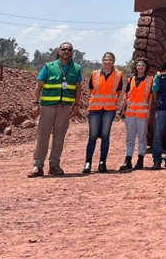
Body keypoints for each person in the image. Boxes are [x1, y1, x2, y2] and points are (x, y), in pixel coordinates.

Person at [28, 42, 82, 177]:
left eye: (69, 50)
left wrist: (76, 105)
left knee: (59, 137)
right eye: (64, 49)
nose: (66, 51)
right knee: (43, 136)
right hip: (48, 106)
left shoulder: (76, 68)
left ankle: (54, 165)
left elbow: (78, 88)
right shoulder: (49, 66)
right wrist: (35, 103)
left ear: (72, 52)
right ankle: (38, 166)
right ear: (59, 51)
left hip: (65, 107)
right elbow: (39, 86)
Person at [82, 52, 123, 174]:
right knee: (93, 135)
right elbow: (91, 89)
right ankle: (88, 162)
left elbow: (118, 91)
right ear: (102, 60)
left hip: (109, 109)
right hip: (95, 108)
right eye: (106, 59)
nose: (108, 62)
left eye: (110, 60)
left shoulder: (118, 75)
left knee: (105, 135)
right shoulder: (95, 74)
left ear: (113, 61)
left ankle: (102, 162)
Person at [119, 57, 153, 172]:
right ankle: (128, 160)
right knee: (130, 137)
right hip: (130, 112)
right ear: (136, 67)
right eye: (138, 65)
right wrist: (122, 109)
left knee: (142, 138)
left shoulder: (150, 80)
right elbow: (126, 95)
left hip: (142, 112)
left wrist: (149, 112)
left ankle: (140, 159)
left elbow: (150, 97)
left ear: (146, 67)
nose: (140, 67)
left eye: (143, 65)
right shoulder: (131, 80)